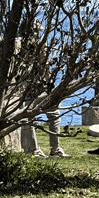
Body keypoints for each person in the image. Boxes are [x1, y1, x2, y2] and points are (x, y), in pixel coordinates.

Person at [18, 20, 71, 158]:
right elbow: (44, 65)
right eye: (37, 31)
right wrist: (49, 83)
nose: (37, 34)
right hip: (28, 88)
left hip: (27, 87)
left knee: (43, 115)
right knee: (34, 116)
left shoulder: (16, 44)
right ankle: (44, 149)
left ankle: (42, 149)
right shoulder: (36, 45)